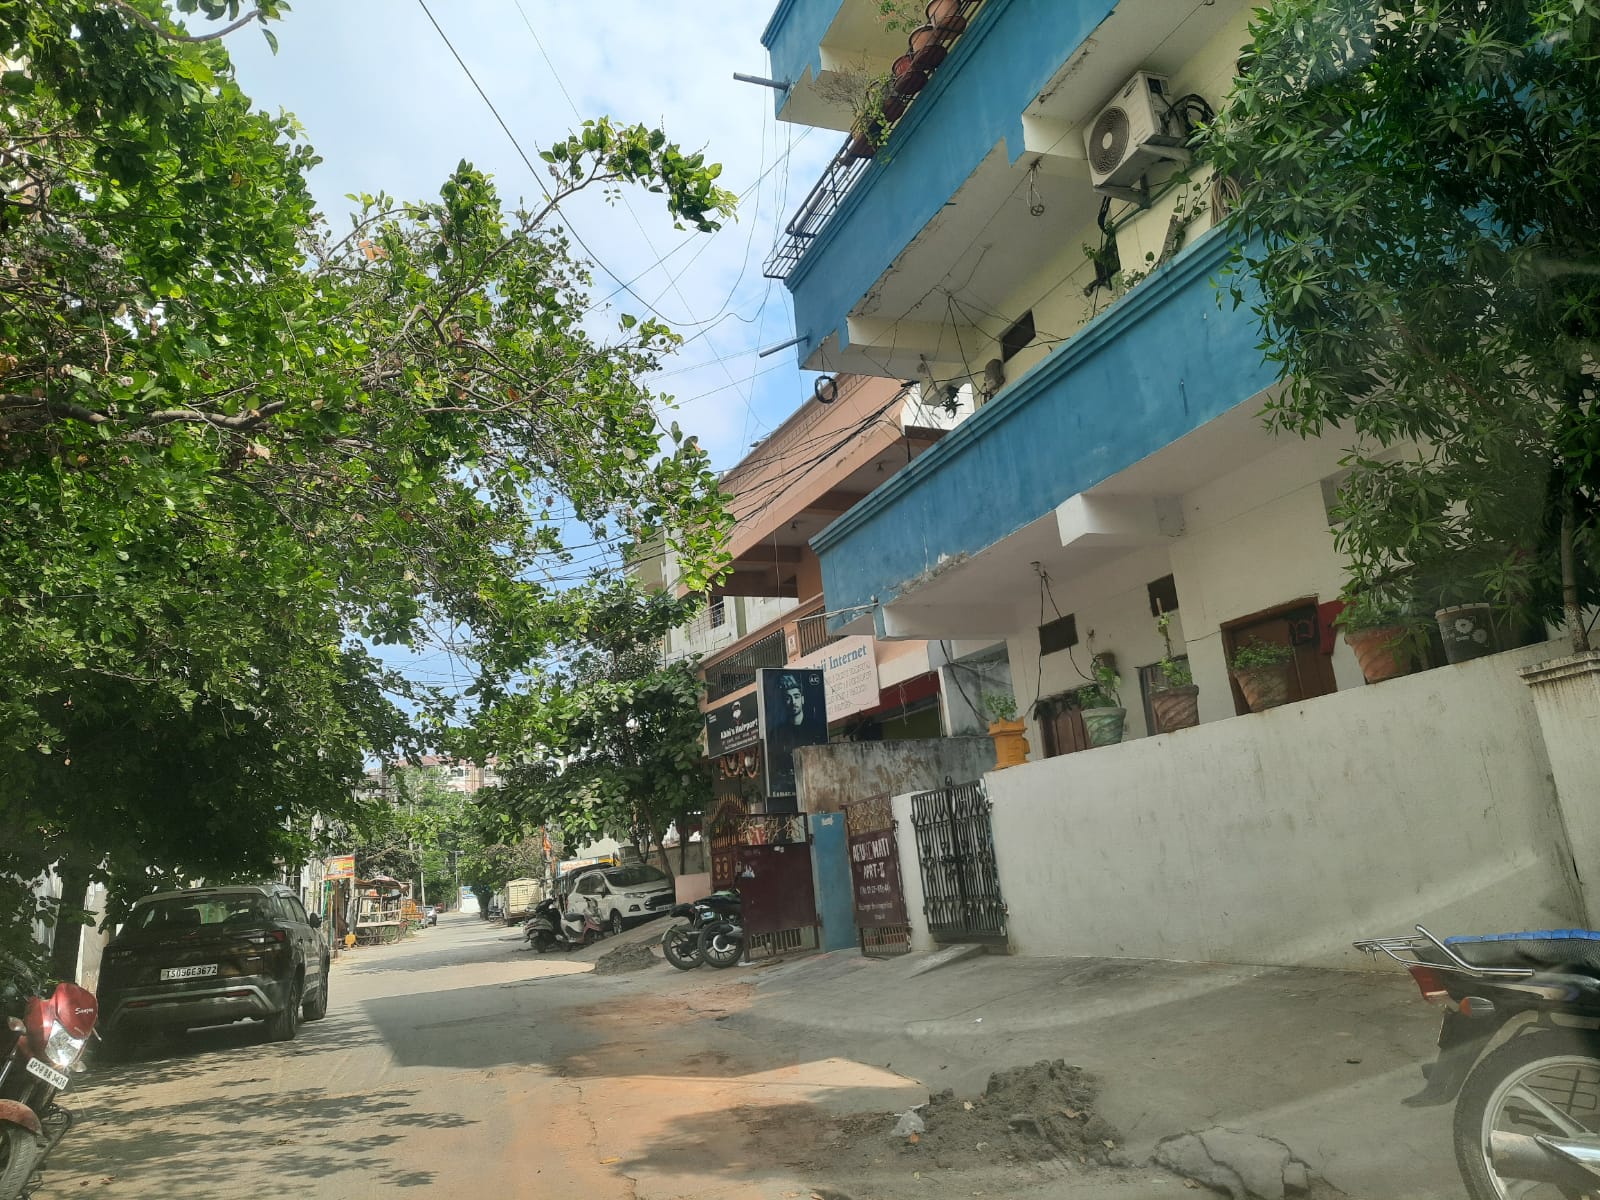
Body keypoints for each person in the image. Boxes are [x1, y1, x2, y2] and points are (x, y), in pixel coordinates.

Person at [763, 670, 825, 803]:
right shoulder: (777, 734)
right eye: (787, 698)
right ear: (783, 702)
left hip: (817, 785)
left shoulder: (817, 729)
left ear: (802, 699)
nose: (793, 702)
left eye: (796, 696)